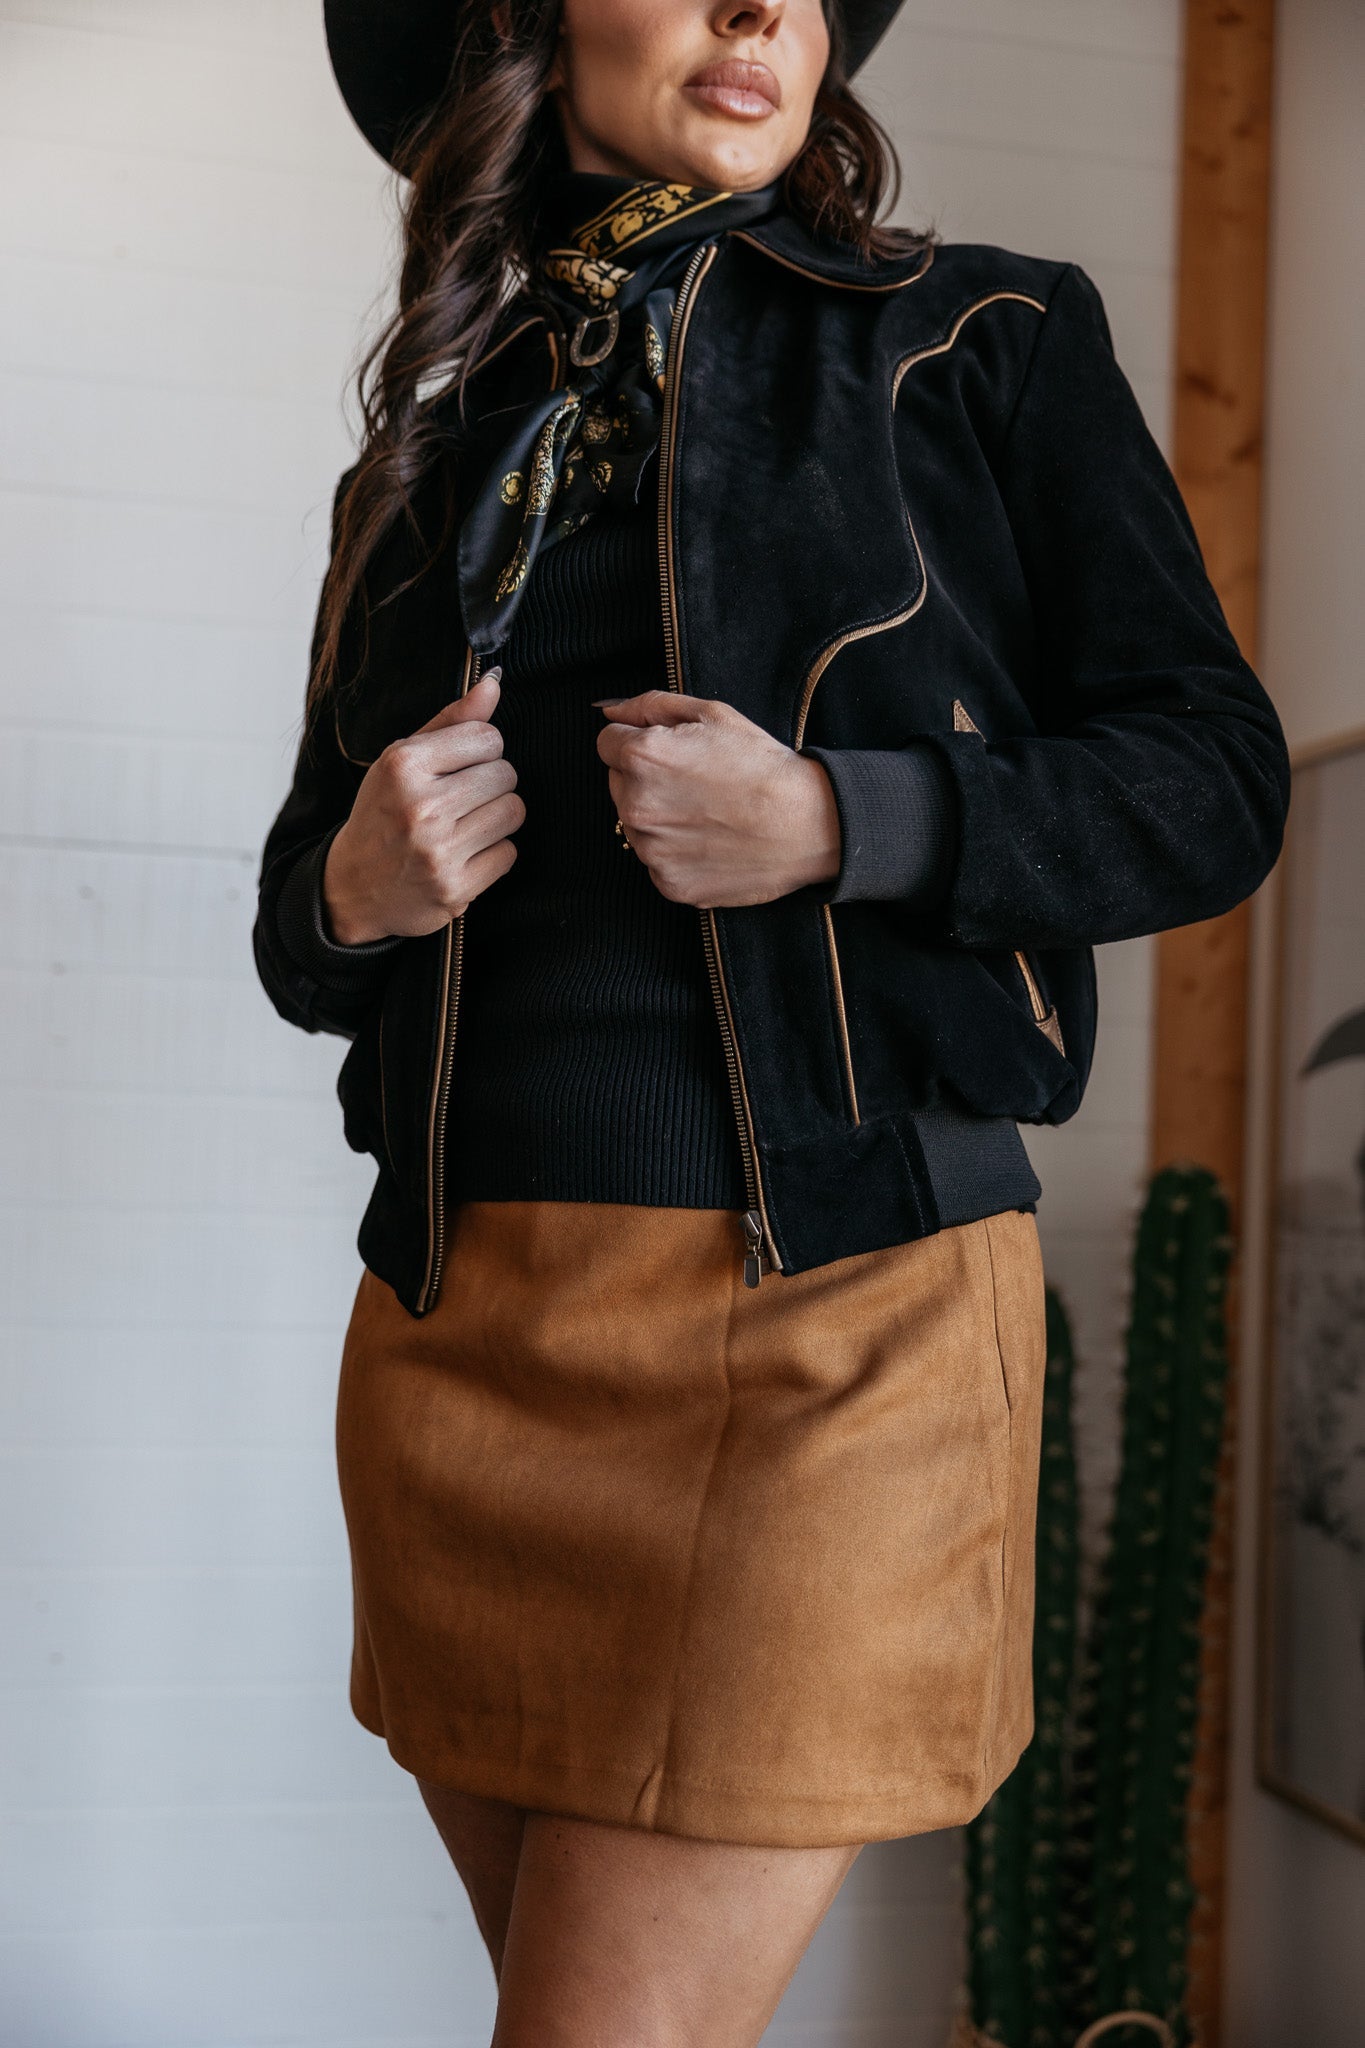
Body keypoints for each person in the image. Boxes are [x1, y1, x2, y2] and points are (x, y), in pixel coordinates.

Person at [253, 1, 1290, 2039]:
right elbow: (307, 940)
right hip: (467, 1341)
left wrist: (843, 816)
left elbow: (1208, 779)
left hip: (838, 1321)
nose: (759, 14)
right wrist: (353, 888)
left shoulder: (979, 344)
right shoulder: (425, 454)